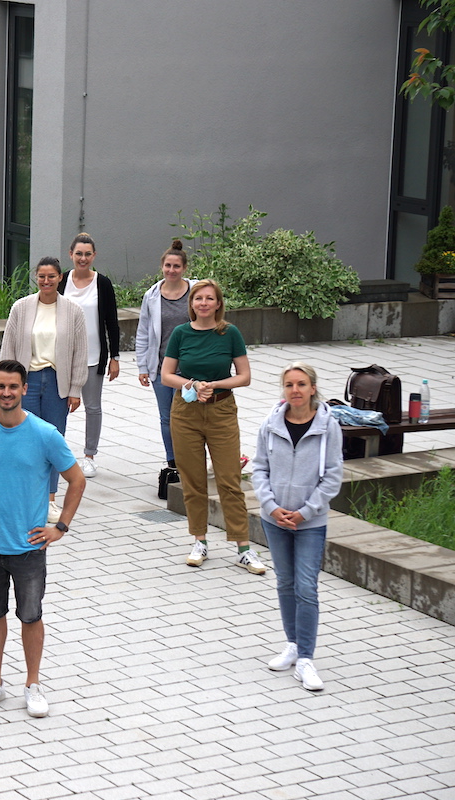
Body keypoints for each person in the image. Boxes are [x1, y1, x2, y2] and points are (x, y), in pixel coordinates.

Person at [0, 360, 85, 718]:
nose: (6, 393)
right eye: (0, 386)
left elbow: (77, 480)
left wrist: (61, 527)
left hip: (29, 548)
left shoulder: (44, 434)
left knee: (30, 615)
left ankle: (33, 684)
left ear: (24, 389)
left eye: (13, 387)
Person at [160, 279, 263, 573]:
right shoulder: (181, 333)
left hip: (221, 410)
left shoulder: (229, 333)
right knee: (192, 481)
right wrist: (192, 384)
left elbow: (244, 376)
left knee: (229, 480)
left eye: (209, 298)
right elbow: (167, 375)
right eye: (198, 298)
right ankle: (200, 541)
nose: (203, 303)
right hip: (186, 411)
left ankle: (243, 548)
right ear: (191, 304)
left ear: (218, 304)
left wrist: (214, 384)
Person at [251, 362, 342, 692]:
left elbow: (332, 476)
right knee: (286, 582)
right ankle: (292, 644)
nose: (295, 390)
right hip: (274, 518)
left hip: (310, 522)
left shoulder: (329, 427)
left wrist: (305, 512)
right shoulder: (270, 424)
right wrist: (272, 507)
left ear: (313, 388)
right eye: (289, 385)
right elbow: (258, 469)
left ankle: (306, 658)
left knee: (306, 586)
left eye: (301, 384)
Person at [0, 257, 88, 522]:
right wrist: (4, 385)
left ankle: (49, 499)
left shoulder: (73, 311)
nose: (46, 281)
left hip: (57, 383)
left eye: (51, 276)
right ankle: (25, 496)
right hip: (27, 381)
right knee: (23, 440)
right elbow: (9, 347)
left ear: (60, 278)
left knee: (52, 440)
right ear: (36, 278)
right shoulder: (21, 307)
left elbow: (80, 352)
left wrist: (75, 388)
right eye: (41, 277)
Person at [135, 239, 197, 497]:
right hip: (161, 367)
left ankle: (190, 464)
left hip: (190, 369)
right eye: (167, 266)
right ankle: (173, 464)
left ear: (184, 268)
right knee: (167, 418)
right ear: (162, 267)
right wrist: (142, 366)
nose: (172, 270)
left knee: (188, 418)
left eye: (176, 266)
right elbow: (143, 332)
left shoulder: (196, 292)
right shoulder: (152, 295)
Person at [58, 233, 120, 478]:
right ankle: (57, 452)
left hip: (94, 355)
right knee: (59, 404)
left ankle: (89, 455)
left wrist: (114, 356)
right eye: (78, 254)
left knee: (92, 406)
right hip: (64, 356)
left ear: (94, 256)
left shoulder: (102, 283)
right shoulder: (62, 281)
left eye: (87, 254)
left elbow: (111, 322)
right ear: (70, 254)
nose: (82, 258)